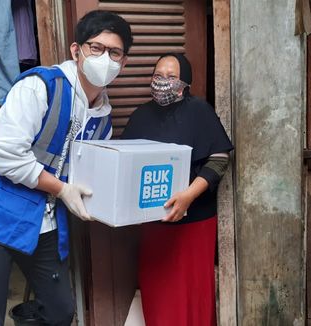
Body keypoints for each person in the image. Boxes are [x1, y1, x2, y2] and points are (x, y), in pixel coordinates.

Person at [0, 10, 132, 326]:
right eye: (96, 48)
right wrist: (61, 188)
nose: (105, 58)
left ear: (123, 63)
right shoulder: (40, 87)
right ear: (76, 51)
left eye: (114, 52)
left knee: (60, 310)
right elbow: (6, 154)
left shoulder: (103, 117)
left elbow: (88, 171)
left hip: (42, 222)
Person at [121, 53, 233, 326]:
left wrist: (188, 196)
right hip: (153, 224)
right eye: (158, 76)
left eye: (171, 77)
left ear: (185, 83)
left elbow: (219, 159)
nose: (162, 82)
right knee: (158, 290)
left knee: (192, 292)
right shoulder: (140, 116)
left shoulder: (199, 111)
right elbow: (125, 162)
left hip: (194, 222)